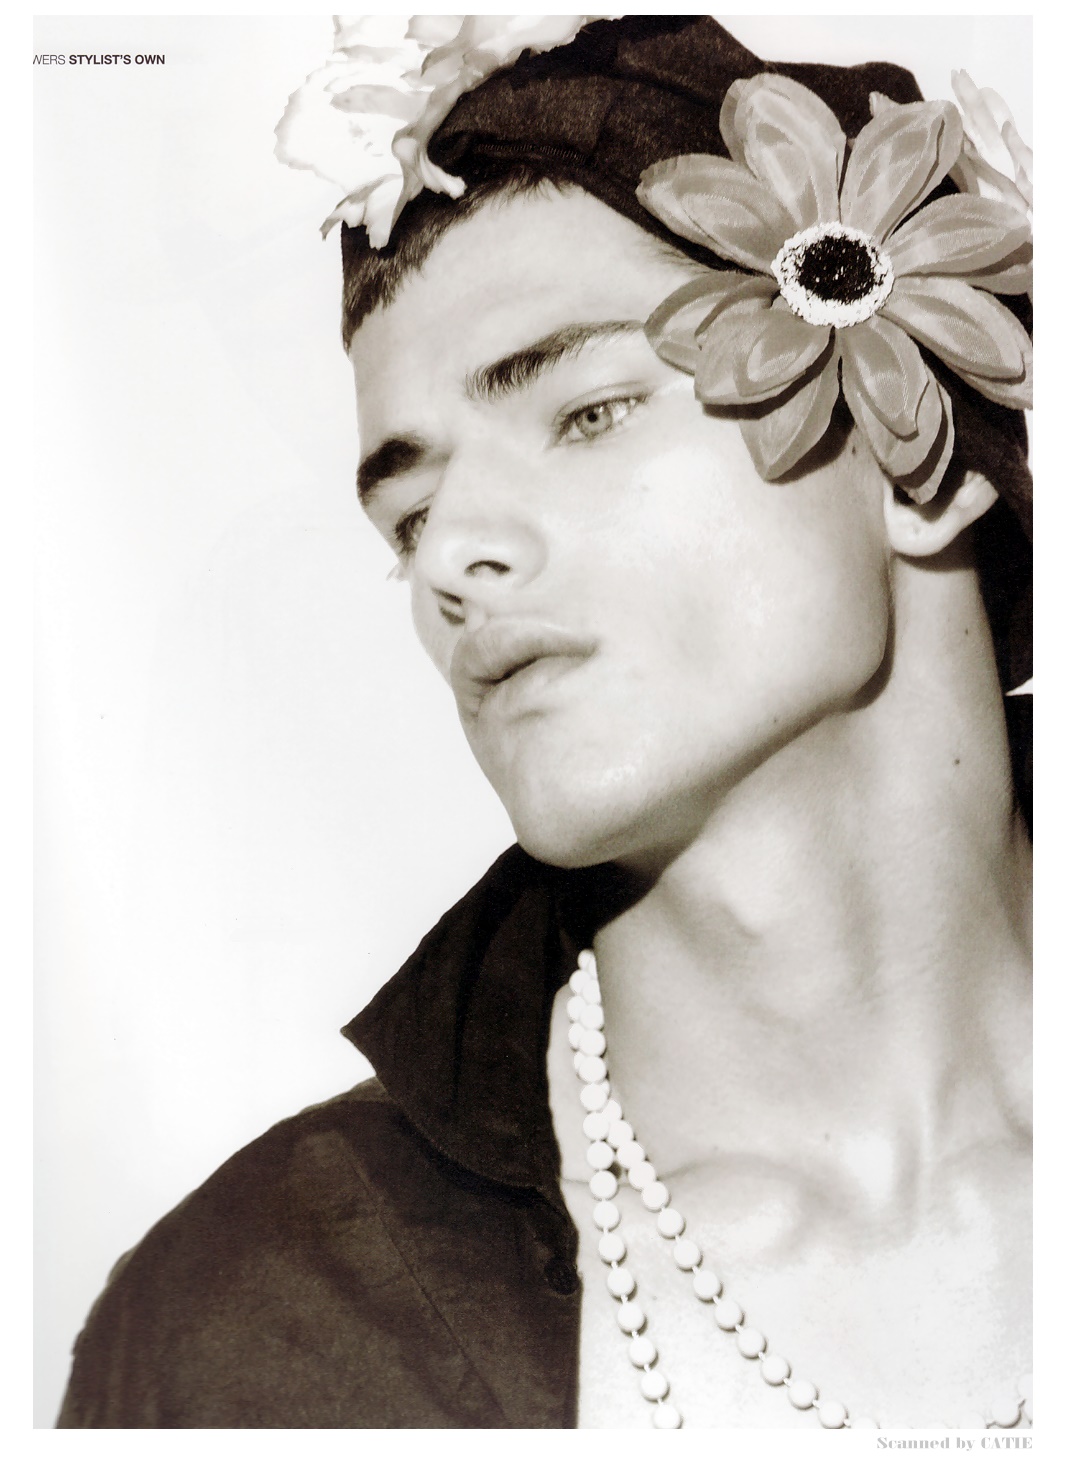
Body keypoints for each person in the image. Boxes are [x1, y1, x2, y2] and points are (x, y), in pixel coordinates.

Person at [57, 15, 1032, 1430]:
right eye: (410, 515)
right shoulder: (259, 1324)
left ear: (916, 458)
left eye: (586, 413)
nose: (453, 557)